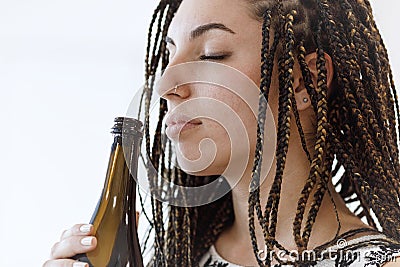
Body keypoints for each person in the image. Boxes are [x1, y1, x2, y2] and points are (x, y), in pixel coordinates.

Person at [43, 0, 400, 266]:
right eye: (168, 55)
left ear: (302, 81)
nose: (166, 84)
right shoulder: (176, 258)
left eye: (212, 55)